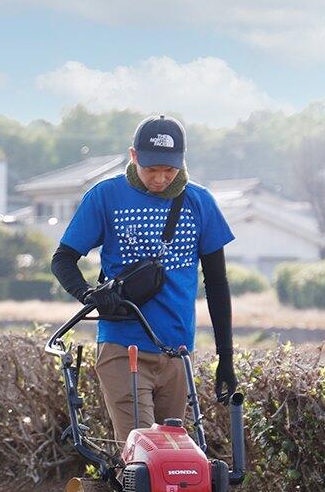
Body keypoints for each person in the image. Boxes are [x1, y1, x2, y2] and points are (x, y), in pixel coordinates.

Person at [50, 115, 237, 441]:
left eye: (170, 169)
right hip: (124, 347)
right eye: (152, 169)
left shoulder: (199, 202)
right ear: (133, 156)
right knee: (143, 452)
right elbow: (63, 259)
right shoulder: (106, 197)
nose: (161, 178)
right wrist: (88, 294)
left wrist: (226, 358)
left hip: (178, 352)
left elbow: (218, 284)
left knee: (171, 458)